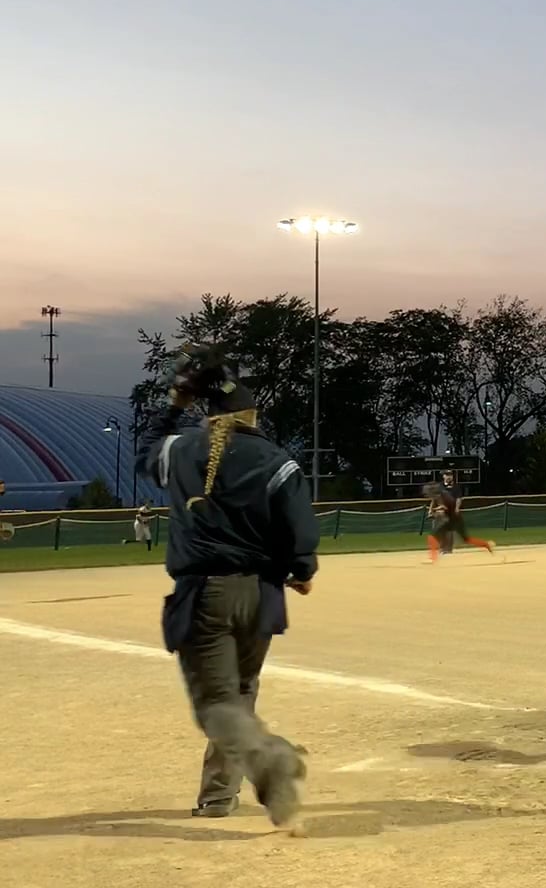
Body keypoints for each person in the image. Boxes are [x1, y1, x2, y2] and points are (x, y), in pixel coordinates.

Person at [133, 342, 316, 831]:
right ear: (253, 415)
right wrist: (301, 570)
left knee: (217, 704)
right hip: (261, 596)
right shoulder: (277, 460)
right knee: (240, 693)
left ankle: (271, 761)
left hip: (205, 595)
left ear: (208, 416)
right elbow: (298, 528)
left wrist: (174, 406)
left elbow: (146, 455)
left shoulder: (181, 450)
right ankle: (219, 795)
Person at [425, 469, 494, 561]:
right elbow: (438, 503)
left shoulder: (449, 492)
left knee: (436, 536)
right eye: (446, 475)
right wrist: (433, 510)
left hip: (453, 518)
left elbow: (451, 504)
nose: (448, 476)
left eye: (450, 475)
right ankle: (486, 544)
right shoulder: (441, 491)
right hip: (450, 518)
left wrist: (438, 510)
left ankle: (486, 544)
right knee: (461, 538)